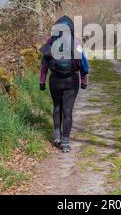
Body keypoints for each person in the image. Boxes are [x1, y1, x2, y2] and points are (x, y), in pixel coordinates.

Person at [39, 15, 89, 153]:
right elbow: (83, 63)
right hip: (71, 81)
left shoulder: (51, 41)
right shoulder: (76, 43)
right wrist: (84, 79)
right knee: (67, 111)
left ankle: (57, 137)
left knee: (57, 107)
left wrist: (42, 81)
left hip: (55, 81)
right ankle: (65, 143)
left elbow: (44, 64)